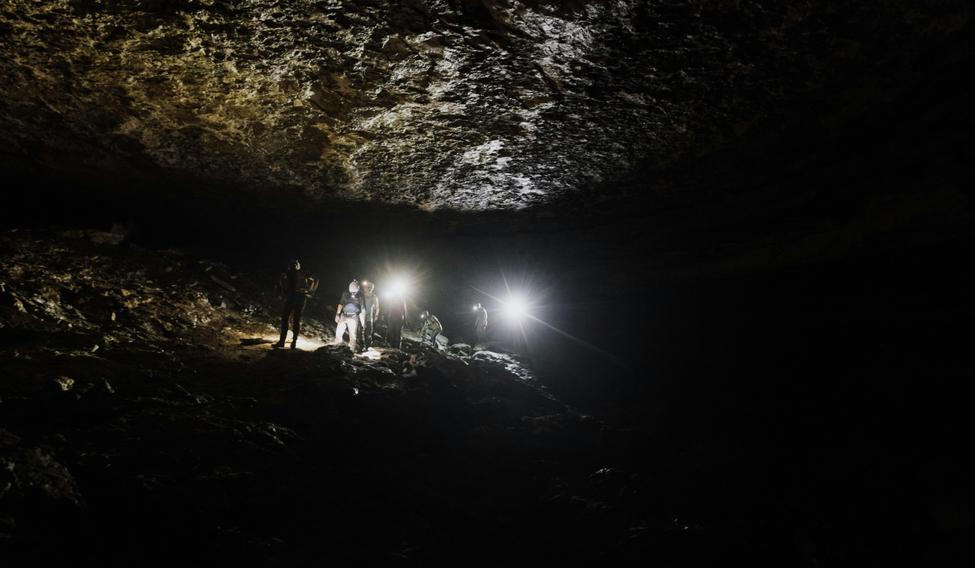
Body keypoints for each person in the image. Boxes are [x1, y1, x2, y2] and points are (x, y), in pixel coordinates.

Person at [275, 259, 319, 349]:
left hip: (292, 297)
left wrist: (285, 292)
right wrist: (310, 292)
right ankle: (293, 342)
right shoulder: (303, 273)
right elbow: (316, 279)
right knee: (296, 320)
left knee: (286, 318)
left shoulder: (287, 273)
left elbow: (282, 284)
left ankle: (282, 342)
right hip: (300, 297)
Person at [335, 279, 364, 352]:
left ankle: (351, 350)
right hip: (344, 315)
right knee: (338, 333)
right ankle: (337, 347)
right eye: (351, 292)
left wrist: (362, 321)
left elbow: (362, 308)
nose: (353, 294)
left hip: (354, 317)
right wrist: (337, 314)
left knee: (352, 335)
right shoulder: (345, 293)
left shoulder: (360, 295)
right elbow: (341, 304)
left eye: (354, 292)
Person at [359, 280, 380, 350]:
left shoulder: (374, 297)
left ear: (370, 288)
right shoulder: (362, 296)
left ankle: (367, 347)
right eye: (365, 287)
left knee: (368, 334)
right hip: (361, 317)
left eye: (367, 287)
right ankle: (361, 346)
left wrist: (376, 316)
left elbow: (377, 307)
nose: (365, 288)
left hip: (369, 318)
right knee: (360, 332)